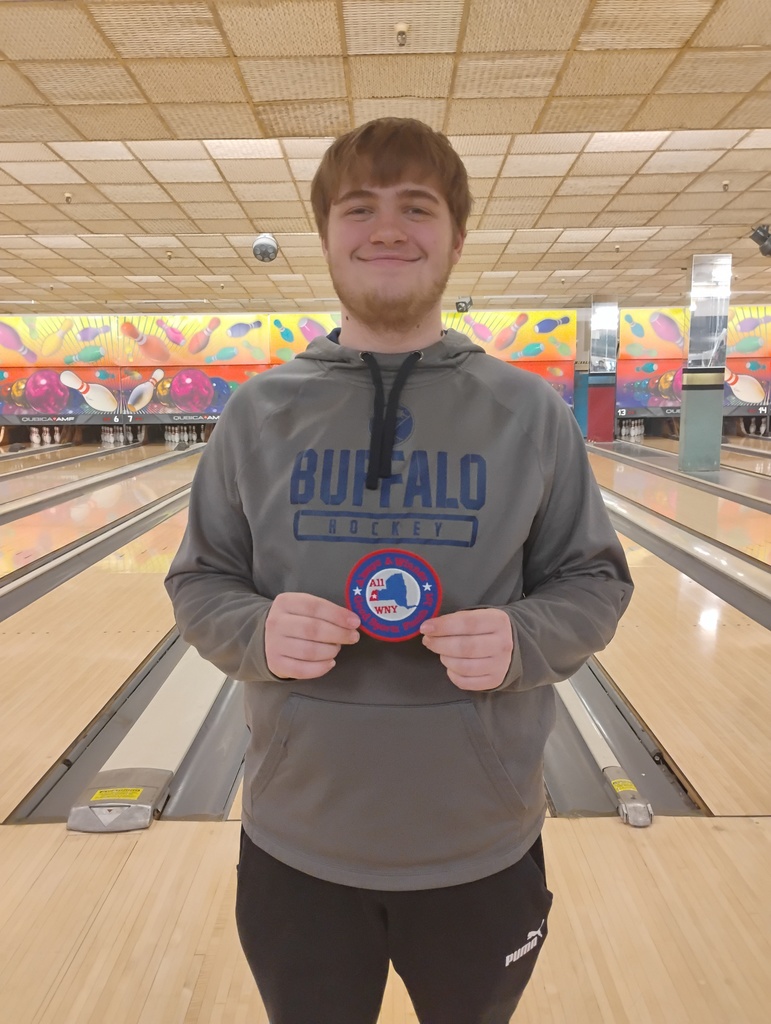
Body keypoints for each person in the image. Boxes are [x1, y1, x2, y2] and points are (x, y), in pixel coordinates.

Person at [165, 117, 634, 1024]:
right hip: (297, 846)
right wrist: (255, 632)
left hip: (481, 847)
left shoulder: (528, 412)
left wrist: (521, 638)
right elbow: (199, 581)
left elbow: (595, 582)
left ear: (455, 236)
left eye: (415, 206)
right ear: (328, 233)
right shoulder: (257, 412)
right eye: (359, 207)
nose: (386, 228)